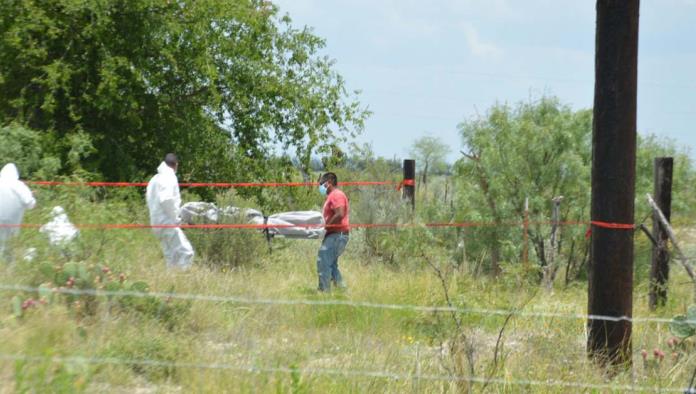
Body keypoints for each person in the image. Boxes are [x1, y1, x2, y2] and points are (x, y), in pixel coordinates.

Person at [146, 153, 194, 269]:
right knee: (187, 253)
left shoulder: (154, 179)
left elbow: (149, 199)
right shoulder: (169, 176)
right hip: (167, 222)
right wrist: (176, 219)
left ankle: (171, 282)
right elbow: (166, 199)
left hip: (156, 223)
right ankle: (183, 281)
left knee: (171, 257)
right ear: (176, 165)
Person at [316, 172, 350, 291]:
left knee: (323, 261)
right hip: (334, 235)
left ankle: (324, 291)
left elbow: (340, 213)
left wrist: (326, 227)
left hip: (337, 235)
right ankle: (342, 291)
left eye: (321, 184)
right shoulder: (331, 196)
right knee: (331, 265)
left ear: (328, 183)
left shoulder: (336, 195)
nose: (319, 187)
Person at [0, 163, 36, 262]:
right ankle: (8, 268)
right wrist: (31, 196)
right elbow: (30, 203)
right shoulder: (18, 185)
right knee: (10, 245)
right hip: (12, 222)